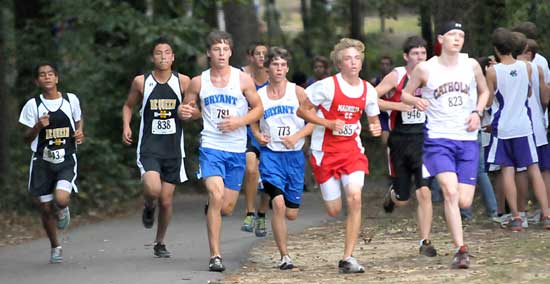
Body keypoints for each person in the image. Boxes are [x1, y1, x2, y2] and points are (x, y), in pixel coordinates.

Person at [400, 21, 489, 269]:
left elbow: (484, 92)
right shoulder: (425, 69)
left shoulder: (471, 65)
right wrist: (415, 101)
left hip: (467, 139)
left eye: (461, 34)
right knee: (449, 192)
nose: (457, 39)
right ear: (441, 39)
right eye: (452, 34)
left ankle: (456, 231)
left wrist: (477, 112)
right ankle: (461, 249)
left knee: (464, 201)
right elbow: (405, 94)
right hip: (438, 139)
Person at [177, 31, 263, 272]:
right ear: (208, 53)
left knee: (226, 207)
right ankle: (215, 256)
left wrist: (240, 121)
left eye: (225, 49)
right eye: (217, 49)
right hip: (211, 146)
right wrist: (185, 113)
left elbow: (258, 108)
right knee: (216, 197)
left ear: (231, 52)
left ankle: (213, 208)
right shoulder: (198, 82)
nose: (221, 53)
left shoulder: (243, 79)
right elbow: (189, 110)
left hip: (235, 149)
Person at [298, 38, 382, 273]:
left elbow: (374, 120)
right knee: (334, 210)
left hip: (351, 150)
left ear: (361, 63)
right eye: (348, 58)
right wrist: (327, 122)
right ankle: (345, 234)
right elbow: (302, 110)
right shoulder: (325, 86)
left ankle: (348, 257)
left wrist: (375, 128)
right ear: (339, 63)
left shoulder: (368, 90)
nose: (353, 62)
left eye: (357, 58)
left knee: (355, 197)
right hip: (324, 152)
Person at [122, 38, 190, 258]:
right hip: (149, 147)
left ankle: (160, 242)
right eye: (158, 53)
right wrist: (126, 126)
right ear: (153, 57)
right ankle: (148, 205)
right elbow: (128, 106)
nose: (163, 57)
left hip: (173, 149)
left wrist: (189, 113)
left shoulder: (184, 82)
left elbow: (195, 110)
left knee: (167, 201)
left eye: (167, 53)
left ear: (173, 57)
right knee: (153, 190)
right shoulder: (142, 82)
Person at [251, 47, 313, 270]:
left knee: (291, 213)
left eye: (283, 65)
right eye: (275, 65)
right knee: (277, 204)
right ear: (267, 68)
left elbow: (313, 121)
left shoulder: (297, 92)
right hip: (271, 156)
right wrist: (258, 135)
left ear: (287, 68)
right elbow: (253, 121)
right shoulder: (258, 96)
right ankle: (285, 256)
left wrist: (297, 136)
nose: (279, 69)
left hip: (294, 157)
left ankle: (284, 241)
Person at [375, 36, 437, 257]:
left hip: (424, 139)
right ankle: (393, 195)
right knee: (403, 199)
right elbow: (372, 99)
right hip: (400, 140)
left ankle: (425, 241)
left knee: (424, 192)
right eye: (415, 54)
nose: (420, 57)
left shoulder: (433, 73)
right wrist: (399, 106)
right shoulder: (397, 75)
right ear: (405, 56)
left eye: (423, 53)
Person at [485, 28, 550, 231]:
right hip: (524, 125)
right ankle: (547, 214)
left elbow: (487, 101)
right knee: (534, 168)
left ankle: (516, 217)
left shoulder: (493, 71)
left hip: (504, 127)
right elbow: (529, 92)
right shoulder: (528, 67)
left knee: (507, 170)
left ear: (496, 49)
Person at [19, 63, 84, 263]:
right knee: (45, 210)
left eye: (50, 74)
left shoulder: (70, 100)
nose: (47, 77)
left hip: (65, 159)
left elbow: (78, 119)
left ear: (57, 78)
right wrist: (39, 125)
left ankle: (63, 208)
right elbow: (26, 138)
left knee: (61, 199)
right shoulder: (33, 105)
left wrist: (80, 131)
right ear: (37, 81)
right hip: (42, 163)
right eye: (42, 75)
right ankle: (55, 246)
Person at [240, 42, 270, 237]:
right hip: (248, 133)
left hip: (269, 133)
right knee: (251, 168)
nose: (261, 57)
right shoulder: (241, 77)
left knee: (268, 176)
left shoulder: (275, 76)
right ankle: (250, 212)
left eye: (264, 54)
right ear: (250, 57)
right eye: (257, 53)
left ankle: (262, 214)